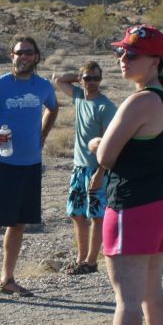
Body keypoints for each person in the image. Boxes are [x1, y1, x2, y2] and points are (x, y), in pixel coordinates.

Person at [81, 25, 163, 325]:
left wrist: (95, 140)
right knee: (152, 290)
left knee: (127, 298)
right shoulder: (161, 99)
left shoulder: (140, 101)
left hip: (134, 205)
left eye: (131, 55)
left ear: (155, 61)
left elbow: (106, 155)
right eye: (121, 53)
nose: (122, 60)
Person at [0, 36, 59, 302]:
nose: (24, 57)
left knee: (18, 224)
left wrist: (43, 133)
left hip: (31, 163)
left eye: (29, 53)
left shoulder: (42, 86)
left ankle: (7, 280)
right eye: (19, 53)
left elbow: (53, 108)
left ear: (36, 56)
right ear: (11, 55)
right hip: (3, 163)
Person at [51, 62, 117, 275]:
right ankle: (81, 257)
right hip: (79, 167)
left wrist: (101, 172)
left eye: (96, 78)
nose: (92, 82)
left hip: (96, 168)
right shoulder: (79, 96)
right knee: (77, 214)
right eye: (88, 78)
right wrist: (79, 75)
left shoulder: (105, 106)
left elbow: (110, 144)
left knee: (97, 216)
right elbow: (59, 80)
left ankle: (90, 261)